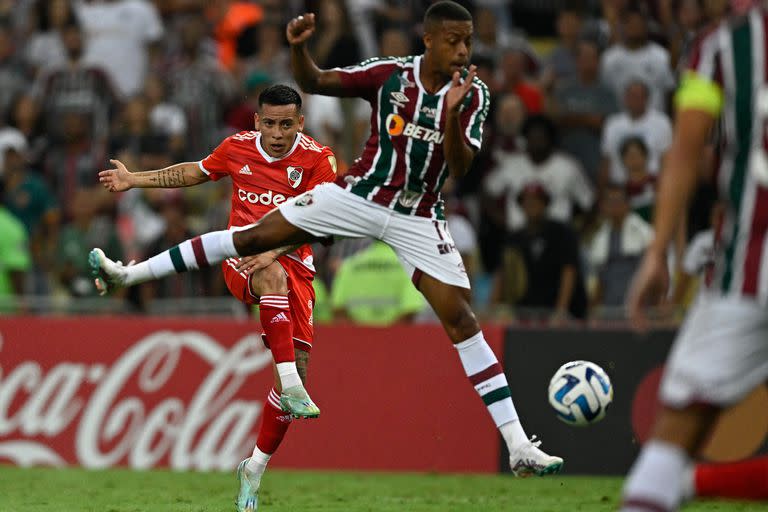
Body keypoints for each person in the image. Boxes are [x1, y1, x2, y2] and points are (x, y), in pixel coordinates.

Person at [90, 5, 563, 509]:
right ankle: (128, 274)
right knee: (254, 246)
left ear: (298, 123)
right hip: (361, 196)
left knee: (461, 317)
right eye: (454, 40)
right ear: (428, 39)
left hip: (418, 215)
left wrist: (450, 117)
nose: (464, 51)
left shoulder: (467, 99)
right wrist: (297, 47)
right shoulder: (389, 77)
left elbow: (463, 166)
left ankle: (516, 444)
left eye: (468, 41)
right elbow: (312, 80)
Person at [93, 84, 336, 511]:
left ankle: (254, 468)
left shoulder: (318, 159)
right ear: (256, 121)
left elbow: (324, 224)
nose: (277, 133)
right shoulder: (237, 148)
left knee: (292, 367)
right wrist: (135, 180)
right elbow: (194, 172)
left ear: (300, 123)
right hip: (243, 260)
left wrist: (275, 249)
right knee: (268, 273)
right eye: (269, 123)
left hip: (294, 265)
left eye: (286, 124)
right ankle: (128, 276)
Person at [622, 5, 768, 511]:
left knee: (676, 432)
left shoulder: (723, 46)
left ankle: (678, 486)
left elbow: (685, 150)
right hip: (743, 261)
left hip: (747, 265)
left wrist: (657, 251)